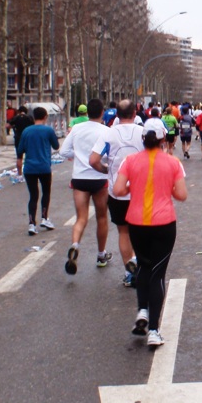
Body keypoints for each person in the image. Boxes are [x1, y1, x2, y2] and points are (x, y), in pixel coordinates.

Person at [112, 117, 187, 347]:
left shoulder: (129, 161)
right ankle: (154, 330)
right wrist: (168, 190)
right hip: (164, 224)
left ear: (143, 139)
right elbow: (182, 194)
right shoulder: (174, 163)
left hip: (136, 223)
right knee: (158, 274)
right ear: (164, 139)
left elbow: (117, 189)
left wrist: (132, 187)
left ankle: (142, 311)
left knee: (144, 267)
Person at [90, 99, 143, 287]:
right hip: (140, 191)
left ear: (117, 115)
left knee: (123, 232)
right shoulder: (142, 131)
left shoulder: (108, 134)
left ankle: (130, 272)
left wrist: (107, 171)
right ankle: (143, 269)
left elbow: (93, 160)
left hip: (117, 191)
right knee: (141, 232)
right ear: (135, 113)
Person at [59, 98, 113, 274]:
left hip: (80, 178)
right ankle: (101, 254)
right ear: (102, 112)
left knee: (81, 218)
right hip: (99, 177)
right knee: (102, 217)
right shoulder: (107, 131)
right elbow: (111, 155)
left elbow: (63, 152)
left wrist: (79, 155)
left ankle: (75, 245)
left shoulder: (76, 129)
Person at [16, 106, 60, 235]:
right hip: (44, 167)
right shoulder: (48, 130)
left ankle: (31, 224)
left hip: (29, 168)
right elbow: (56, 146)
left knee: (33, 196)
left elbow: (20, 151)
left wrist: (19, 166)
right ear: (45, 117)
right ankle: (44, 218)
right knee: (46, 193)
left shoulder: (26, 131)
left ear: (34, 117)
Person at [8, 105, 33, 176]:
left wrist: (14, 127)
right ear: (26, 111)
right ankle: (29, 172)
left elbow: (8, 125)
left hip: (18, 138)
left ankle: (19, 173)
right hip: (28, 139)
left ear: (19, 111)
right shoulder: (29, 118)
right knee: (29, 156)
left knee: (19, 157)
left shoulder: (16, 118)